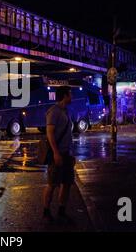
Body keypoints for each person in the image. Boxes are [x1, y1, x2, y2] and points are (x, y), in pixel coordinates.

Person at [42, 85, 76, 224]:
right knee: (52, 184)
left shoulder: (65, 111)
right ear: (65, 96)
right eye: (70, 94)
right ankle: (46, 211)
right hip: (58, 154)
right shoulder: (54, 111)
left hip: (67, 154)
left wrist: (71, 153)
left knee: (67, 183)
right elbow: (49, 133)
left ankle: (62, 211)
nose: (71, 96)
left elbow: (68, 134)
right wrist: (56, 153)